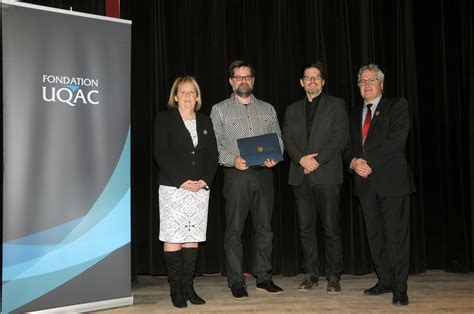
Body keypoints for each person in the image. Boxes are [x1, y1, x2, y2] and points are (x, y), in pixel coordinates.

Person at [210, 60, 284, 299]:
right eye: (238, 77)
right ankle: (236, 281)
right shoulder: (219, 109)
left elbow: (279, 140)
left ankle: (263, 278)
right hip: (237, 175)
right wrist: (232, 160)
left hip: (264, 175)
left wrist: (275, 157)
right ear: (231, 81)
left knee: (265, 229)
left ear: (253, 80)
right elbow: (215, 145)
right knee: (234, 230)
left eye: (248, 77)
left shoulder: (268, 108)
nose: (243, 81)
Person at [343, 64, 415, 306]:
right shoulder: (353, 114)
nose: (366, 85)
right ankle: (384, 280)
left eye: (371, 80)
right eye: (362, 81)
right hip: (364, 184)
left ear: (381, 84)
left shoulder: (397, 106)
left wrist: (366, 161)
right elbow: (346, 147)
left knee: (396, 237)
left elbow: (396, 141)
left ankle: (400, 288)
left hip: (392, 183)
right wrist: (354, 162)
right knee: (375, 236)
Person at [282, 62, 348, 294]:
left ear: (323, 81)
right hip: (300, 176)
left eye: (316, 77)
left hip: (327, 175)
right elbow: (287, 139)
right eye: (307, 78)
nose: (312, 81)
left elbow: (341, 137)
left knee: (331, 228)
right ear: (301, 82)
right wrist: (301, 160)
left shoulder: (336, 104)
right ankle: (311, 274)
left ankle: (333, 276)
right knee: (305, 228)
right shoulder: (292, 109)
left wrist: (316, 161)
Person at [153, 76, 218, 308]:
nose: (188, 96)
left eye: (192, 92)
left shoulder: (205, 120)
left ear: (197, 97)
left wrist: (205, 180)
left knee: (192, 239)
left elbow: (212, 156)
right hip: (174, 188)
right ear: (176, 96)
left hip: (199, 189)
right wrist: (181, 181)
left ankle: (188, 286)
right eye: (183, 92)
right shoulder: (164, 119)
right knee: (174, 238)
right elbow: (160, 153)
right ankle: (175, 289)